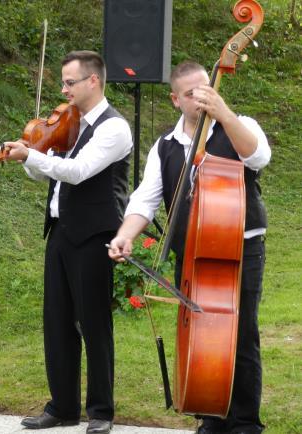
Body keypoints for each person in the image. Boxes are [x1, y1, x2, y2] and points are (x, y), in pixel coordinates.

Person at [108, 61, 270, 434]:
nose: (202, 97)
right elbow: (144, 201)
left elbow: (259, 157)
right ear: (175, 100)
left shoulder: (238, 125)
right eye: (192, 94)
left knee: (241, 334)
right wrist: (126, 234)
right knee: (202, 335)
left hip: (240, 249)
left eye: (206, 89)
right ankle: (211, 413)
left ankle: (245, 422)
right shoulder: (165, 145)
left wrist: (224, 114)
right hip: (193, 253)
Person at [2, 50, 132, 434]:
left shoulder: (113, 128)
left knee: (94, 324)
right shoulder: (71, 124)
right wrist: (29, 155)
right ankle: (62, 406)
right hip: (60, 232)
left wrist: (33, 154)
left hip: (94, 235)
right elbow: (47, 176)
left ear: (93, 81)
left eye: (70, 82)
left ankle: (101, 412)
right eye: (62, 82)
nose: (64, 89)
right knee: (56, 321)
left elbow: (76, 172)